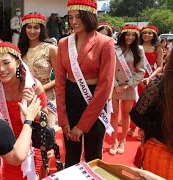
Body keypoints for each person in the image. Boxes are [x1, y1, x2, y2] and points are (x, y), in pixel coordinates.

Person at [55, 0, 115, 168]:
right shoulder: (63, 43)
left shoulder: (105, 42)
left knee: (93, 155)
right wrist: (63, 119)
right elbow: (59, 82)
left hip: (95, 100)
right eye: (71, 17)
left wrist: (82, 126)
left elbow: (105, 86)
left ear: (90, 17)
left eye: (79, 17)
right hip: (71, 98)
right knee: (71, 156)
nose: (74, 22)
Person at [0, 42, 48, 179]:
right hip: (7, 151)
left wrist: (34, 108)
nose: (1, 69)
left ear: (17, 62)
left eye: (6, 62)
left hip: (33, 148)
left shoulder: (33, 85)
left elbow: (46, 119)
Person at [130, 49, 173, 180]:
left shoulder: (160, 82)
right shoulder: (161, 83)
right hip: (161, 148)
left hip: (160, 148)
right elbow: (136, 114)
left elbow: (137, 114)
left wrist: (157, 132)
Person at [109, 25, 146, 155]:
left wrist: (127, 85)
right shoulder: (115, 48)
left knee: (125, 115)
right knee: (113, 115)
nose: (129, 37)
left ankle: (123, 140)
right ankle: (114, 141)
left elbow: (141, 71)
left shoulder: (139, 49)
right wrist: (114, 84)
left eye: (133, 35)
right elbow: (108, 68)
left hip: (129, 87)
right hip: (113, 86)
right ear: (122, 35)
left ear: (136, 37)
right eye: (127, 34)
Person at [18, 13, 58, 127]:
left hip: (46, 98)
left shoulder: (51, 49)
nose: (32, 31)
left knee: (47, 135)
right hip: (25, 97)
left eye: (36, 27)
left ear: (42, 29)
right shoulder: (20, 49)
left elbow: (61, 78)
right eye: (29, 27)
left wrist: (39, 90)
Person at [128, 25, 163, 139]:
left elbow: (160, 66)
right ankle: (132, 126)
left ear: (154, 35)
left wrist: (151, 77)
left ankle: (142, 129)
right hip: (137, 77)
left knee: (147, 104)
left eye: (150, 33)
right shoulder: (136, 47)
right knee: (135, 102)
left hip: (150, 79)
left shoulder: (158, 48)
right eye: (144, 32)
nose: (147, 35)